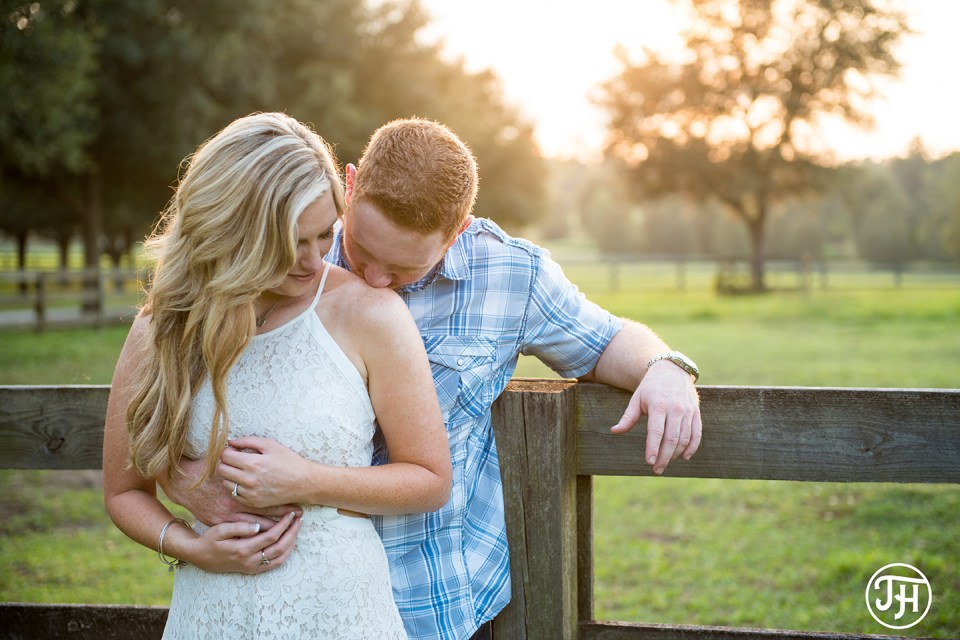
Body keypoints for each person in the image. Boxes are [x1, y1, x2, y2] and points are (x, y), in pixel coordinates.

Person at [167, 118, 702, 640]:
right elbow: (171, 404)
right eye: (362, 249)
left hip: (428, 596)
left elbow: (604, 340)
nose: (374, 280)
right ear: (349, 186)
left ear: (458, 231)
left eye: (401, 270)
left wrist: (667, 367)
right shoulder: (291, 249)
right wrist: (194, 486)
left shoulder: (509, 275)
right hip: (285, 591)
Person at [102, 112, 452, 639]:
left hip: (340, 610)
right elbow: (123, 491)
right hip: (211, 611)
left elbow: (430, 479)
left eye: (326, 234)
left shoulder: (369, 315)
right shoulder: (165, 326)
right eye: (294, 241)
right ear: (235, 229)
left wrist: (307, 480)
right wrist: (191, 547)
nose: (316, 259)